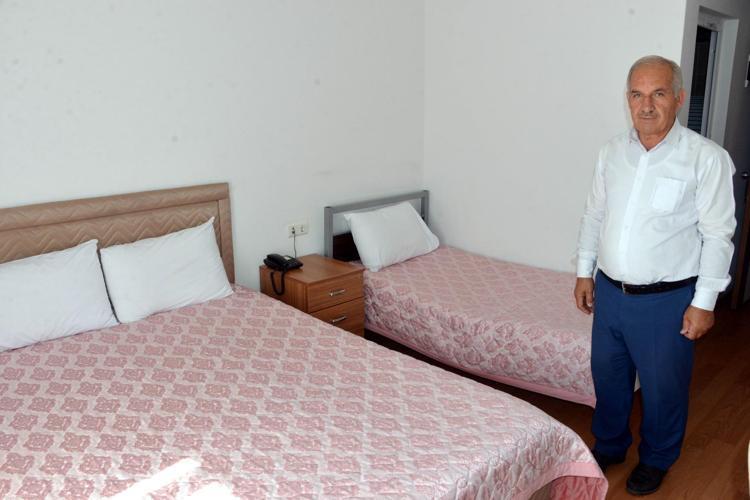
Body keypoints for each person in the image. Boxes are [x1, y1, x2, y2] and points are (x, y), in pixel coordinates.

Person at [574, 55, 736, 496]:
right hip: (610, 292)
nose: (646, 105)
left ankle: (658, 458)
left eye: (658, 93)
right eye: (637, 94)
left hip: (666, 300)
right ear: (627, 99)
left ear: (679, 98)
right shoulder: (612, 152)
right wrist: (584, 272)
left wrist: (704, 303)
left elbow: (718, 235)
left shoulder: (705, 158)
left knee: (664, 388)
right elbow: (594, 215)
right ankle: (610, 445)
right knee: (608, 377)